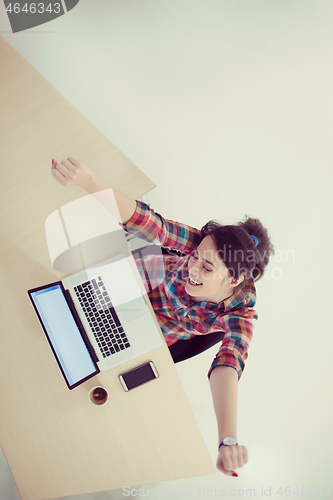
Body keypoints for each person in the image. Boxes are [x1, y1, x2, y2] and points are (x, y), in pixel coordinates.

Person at [51, 156, 274, 477]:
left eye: (206, 268)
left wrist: (228, 439)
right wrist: (88, 181)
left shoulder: (240, 313)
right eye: (196, 257)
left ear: (235, 280)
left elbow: (228, 363)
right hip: (129, 282)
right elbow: (153, 225)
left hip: (144, 332)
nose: (192, 269)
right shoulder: (201, 243)